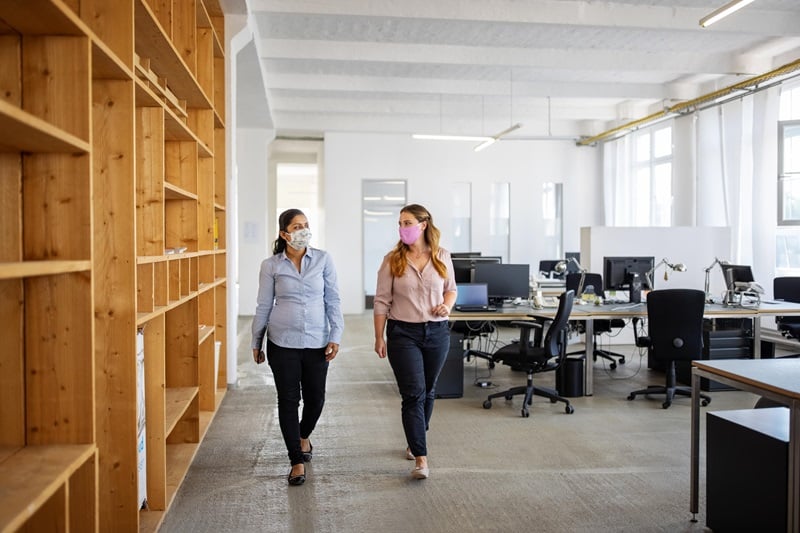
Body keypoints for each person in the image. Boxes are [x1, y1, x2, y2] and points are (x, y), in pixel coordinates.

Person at [251, 208, 344, 486]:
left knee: (316, 399)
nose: (303, 230)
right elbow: (264, 305)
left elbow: (334, 300)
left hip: (317, 341)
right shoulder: (271, 266)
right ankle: (296, 460)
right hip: (282, 342)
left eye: (306, 225)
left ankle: (303, 436)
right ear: (284, 234)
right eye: (296, 226)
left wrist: (336, 335)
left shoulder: (323, 260)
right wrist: (256, 341)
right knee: (289, 401)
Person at [373, 204, 457, 480]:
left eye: (407, 222)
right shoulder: (392, 260)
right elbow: (381, 301)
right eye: (400, 223)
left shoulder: (442, 256)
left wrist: (446, 305)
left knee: (429, 390)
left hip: (436, 333)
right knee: (413, 394)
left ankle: (414, 438)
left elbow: (451, 290)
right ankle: (421, 458)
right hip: (403, 334)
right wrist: (379, 336)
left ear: (423, 225)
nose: (402, 228)